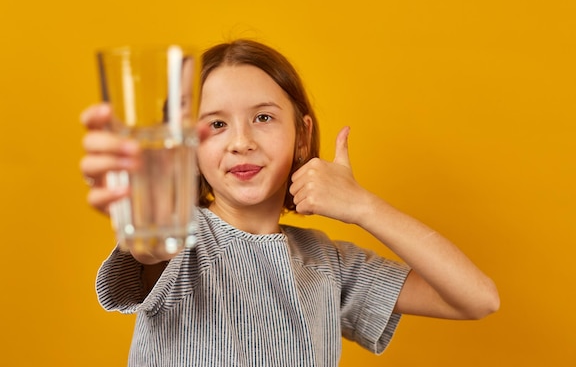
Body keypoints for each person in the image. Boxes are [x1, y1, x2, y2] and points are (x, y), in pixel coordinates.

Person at [80, 39, 499, 366]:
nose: (241, 142)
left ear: (301, 135)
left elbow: (478, 299)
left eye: (263, 118)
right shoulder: (182, 236)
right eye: (217, 124)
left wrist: (363, 207)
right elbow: (152, 244)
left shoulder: (326, 262)